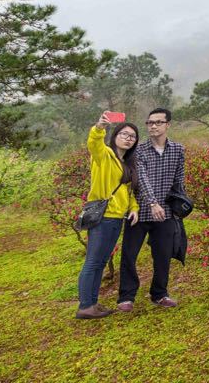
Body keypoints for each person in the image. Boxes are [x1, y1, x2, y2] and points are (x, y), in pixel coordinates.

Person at [118, 107, 185, 311]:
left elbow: (179, 180)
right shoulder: (139, 150)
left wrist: (180, 205)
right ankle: (126, 297)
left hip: (165, 212)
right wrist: (152, 203)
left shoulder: (178, 150)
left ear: (168, 125)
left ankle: (160, 294)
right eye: (149, 123)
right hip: (139, 211)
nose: (153, 126)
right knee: (129, 253)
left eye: (158, 122)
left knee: (163, 254)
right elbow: (143, 179)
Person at [76, 115, 139, 319]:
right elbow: (94, 144)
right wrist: (99, 127)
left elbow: (128, 192)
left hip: (116, 217)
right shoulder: (104, 155)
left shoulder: (126, 163)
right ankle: (86, 306)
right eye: (124, 134)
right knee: (93, 262)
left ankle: (92, 303)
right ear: (115, 135)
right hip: (104, 217)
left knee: (101, 262)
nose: (129, 139)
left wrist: (134, 208)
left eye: (133, 136)